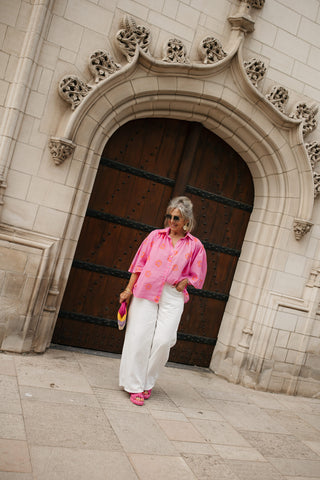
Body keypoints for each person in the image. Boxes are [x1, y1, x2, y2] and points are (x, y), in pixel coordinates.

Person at [119, 196, 207, 406]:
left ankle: (147, 381)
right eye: (169, 216)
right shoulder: (155, 236)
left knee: (164, 340)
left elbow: (198, 274)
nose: (171, 221)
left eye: (176, 218)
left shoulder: (195, 245)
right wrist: (128, 289)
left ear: (186, 220)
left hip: (172, 295)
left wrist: (186, 281)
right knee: (139, 338)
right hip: (145, 290)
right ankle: (135, 386)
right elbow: (138, 265)